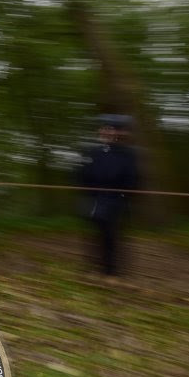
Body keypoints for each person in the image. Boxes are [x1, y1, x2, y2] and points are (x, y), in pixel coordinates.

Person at [76, 114, 140, 277]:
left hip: (116, 201)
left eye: (109, 129)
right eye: (103, 128)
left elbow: (132, 179)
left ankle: (110, 273)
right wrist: (87, 191)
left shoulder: (128, 154)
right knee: (95, 235)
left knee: (110, 236)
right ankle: (95, 267)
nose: (104, 131)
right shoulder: (93, 151)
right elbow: (82, 175)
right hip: (94, 200)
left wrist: (122, 195)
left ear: (117, 132)